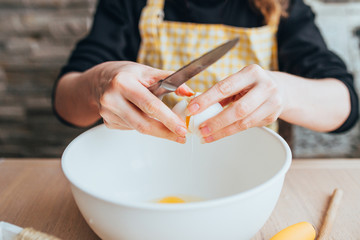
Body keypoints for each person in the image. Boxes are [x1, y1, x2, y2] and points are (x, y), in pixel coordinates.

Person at [52, 0, 358, 144]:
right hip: (145, 172)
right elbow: (66, 105)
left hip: (247, 176)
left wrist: (284, 91)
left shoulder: (282, 7)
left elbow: (344, 106)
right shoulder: (130, 4)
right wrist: (100, 81)